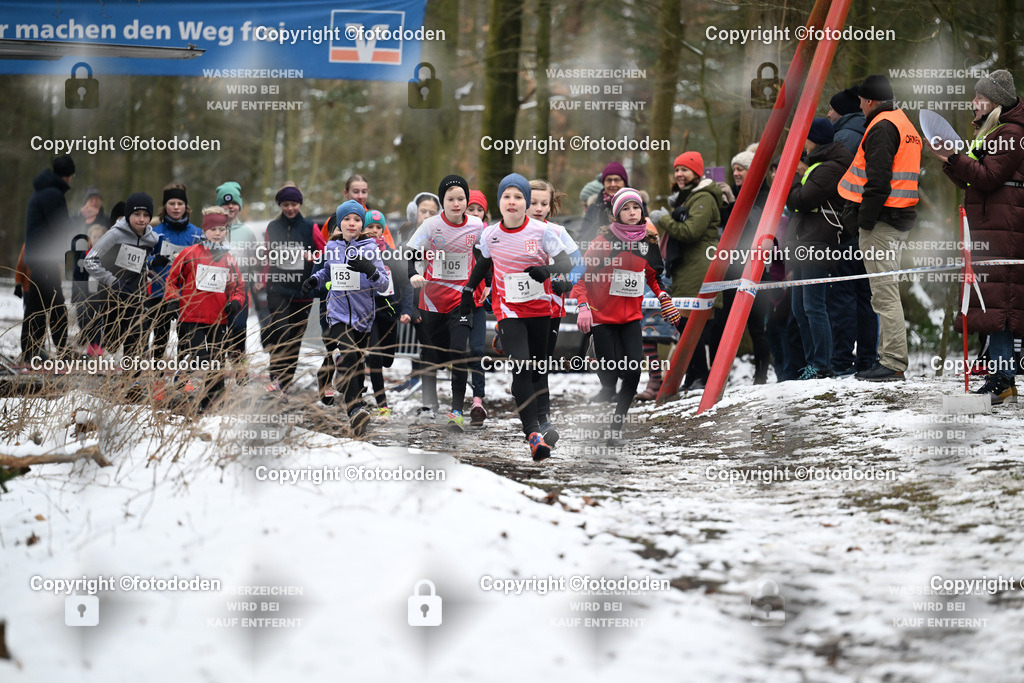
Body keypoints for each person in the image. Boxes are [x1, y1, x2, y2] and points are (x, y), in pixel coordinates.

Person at [461, 174, 573, 461]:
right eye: (507, 196)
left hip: (540, 310)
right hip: (509, 311)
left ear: (526, 203)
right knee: (521, 366)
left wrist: (546, 272)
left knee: (537, 369)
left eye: (518, 197)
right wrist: (470, 289)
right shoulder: (490, 235)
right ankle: (533, 434)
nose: (512, 202)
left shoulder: (541, 232)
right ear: (499, 202)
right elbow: (483, 263)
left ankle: (543, 419)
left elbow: (566, 262)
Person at [932, 69, 1024, 404]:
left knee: (1001, 302)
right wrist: (951, 162)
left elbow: (989, 178)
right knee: (991, 300)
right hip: (991, 223)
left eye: (979, 98)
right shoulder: (993, 132)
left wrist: (957, 159)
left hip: (1004, 225)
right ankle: (1002, 378)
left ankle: (1003, 378)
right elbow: (974, 180)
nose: (973, 103)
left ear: (995, 102)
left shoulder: (1011, 133)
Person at [573, 188, 680, 446]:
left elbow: (653, 276)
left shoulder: (649, 242)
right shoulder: (603, 243)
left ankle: (614, 430)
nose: (632, 213)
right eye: (626, 209)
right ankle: (601, 371)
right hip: (602, 319)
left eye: (636, 208)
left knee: (632, 372)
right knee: (611, 373)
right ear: (616, 214)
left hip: (631, 318)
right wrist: (583, 306)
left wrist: (663, 296)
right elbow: (579, 276)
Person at [838, 74, 922, 382]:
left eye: (861, 101)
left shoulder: (882, 126)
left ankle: (893, 361)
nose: (859, 106)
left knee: (884, 294)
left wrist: (864, 222)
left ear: (871, 101)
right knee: (886, 292)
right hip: (897, 219)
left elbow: (877, 182)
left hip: (882, 223)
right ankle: (889, 358)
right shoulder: (902, 122)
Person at [301, 201, 390, 435]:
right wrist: (315, 280)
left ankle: (335, 384)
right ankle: (355, 408)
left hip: (364, 317)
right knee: (350, 354)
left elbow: (383, 283)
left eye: (357, 219)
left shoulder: (371, 248)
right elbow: (327, 271)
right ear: (339, 223)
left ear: (362, 224)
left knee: (356, 364)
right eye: (347, 219)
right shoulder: (332, 247)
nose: (352, 223)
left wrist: (368, 268)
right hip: (337, 313)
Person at [406, 174, 486, 431]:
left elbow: (485, 257)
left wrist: (483, 286)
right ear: (443, 201)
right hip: (431, 300)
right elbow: (410, 252)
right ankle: (429, 404)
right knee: (430, 354)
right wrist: (413, 274)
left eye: (461, 198)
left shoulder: (476, 226)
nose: (456, 203)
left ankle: (456, 410)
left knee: (458, 351)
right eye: (450, 199)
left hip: (461, 301)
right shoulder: (430, 226)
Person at [649, 151, 724, 390]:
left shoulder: (703, 197)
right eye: (677, 169)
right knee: (687, 324)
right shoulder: (689, 197)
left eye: (685, 169)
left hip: (700, 266)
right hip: (688, 268)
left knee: (690, 324)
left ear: (697, 172)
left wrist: (664, 219)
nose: (679, 174)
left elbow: (691, 232)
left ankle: (701, 375)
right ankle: (694, 375)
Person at [785, 118, 853, 380]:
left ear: (813, 139)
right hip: (806, 241)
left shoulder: (830, 168)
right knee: (800, 309)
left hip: (818, 243)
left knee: (813, 306)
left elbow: (800, 201)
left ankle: (821, 365)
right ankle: (812, 363)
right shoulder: (818, 165)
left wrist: (792, 179)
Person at [164, 208, 246, 412]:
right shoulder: (189, 254)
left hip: (219, 319)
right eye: (213, 229)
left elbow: (238, 288)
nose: (217, 233)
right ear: (204, 230)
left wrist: (235, 302)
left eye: (221, 229)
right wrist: (172, 300)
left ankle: (212, 399)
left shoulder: (228, 259)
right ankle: (181, 386)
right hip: (191, 318)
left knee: (217, 361)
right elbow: (172, 280)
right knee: (200, 356)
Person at [82, 192, 159, 391]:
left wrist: (151, 265)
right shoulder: (115, 234)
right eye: (136, 215)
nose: (141, 219)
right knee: (115, 341)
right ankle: (111, 345)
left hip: (136, 294)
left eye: (145, 214)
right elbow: (90, 260)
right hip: (112, 294)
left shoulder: (152, 238)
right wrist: (111, 281)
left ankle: (130, 383)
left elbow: (145, 261)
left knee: (137, 338)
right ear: (127, 216)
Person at [826, 90, 877, 376]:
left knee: (843, 294)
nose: (829, 115)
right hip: (866, 224)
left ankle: (842, 359)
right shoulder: (868, 128)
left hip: (846, 226)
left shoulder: (844, 138)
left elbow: (836, 185)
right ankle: (867, 358)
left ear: (842, 112)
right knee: (866, 295)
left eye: (832, 110)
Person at [528, 179, 582, 427]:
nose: (538, 208)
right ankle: (529, 415)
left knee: (541, 364)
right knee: (523, 363)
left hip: (550, 307)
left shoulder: (558, 232)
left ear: (551, 206)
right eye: (532, 203)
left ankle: (543, 419)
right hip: (518, 308)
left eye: (544, 203)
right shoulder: (510, 231)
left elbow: (579, 261)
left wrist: (568, 283)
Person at [262, 183, 324, 393]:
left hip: (302, 290)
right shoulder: (272, 227)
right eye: (286, 204)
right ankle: (275, 374)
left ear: (300, 204)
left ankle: (285, 383)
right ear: (280, 205)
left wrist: (313, 256)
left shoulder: (310, 227)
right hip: (277, 287)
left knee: (296, 336)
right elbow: (267, 255)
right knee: (280, 329)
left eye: (294, 204)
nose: (290, 208)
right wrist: (262, 280)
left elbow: (325, 253)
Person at [22, 154, 74, 362]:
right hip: (45, 257)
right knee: (54, 303)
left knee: (42, 303)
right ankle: (41, 349)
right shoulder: (52, 194)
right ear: (70, 176)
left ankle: (33, 349)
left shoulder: (44, 191)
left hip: (39, 256)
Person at [362, 210, 412, 419]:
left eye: (378, 228)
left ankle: (372, 360)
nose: (374, 231)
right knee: (374, 357)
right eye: (370, 227)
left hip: (389, 313)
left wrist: (407, 309)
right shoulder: (358, 253)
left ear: (383, 230)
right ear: (363, 230)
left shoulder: (392, 254)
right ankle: (382, 404)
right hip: (367, 313)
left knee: (387, 359)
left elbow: (406, 284)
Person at [147, 183, 202, 362]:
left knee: (185, 338)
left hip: (186, 293)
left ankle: (181, 378)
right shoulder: (155, 233)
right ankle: (156, 377)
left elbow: (205, 260)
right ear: (165, 207)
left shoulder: (197, 233)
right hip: (160, 292)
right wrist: (153, 261)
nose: (176, 207)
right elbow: (141, 258)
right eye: (172, 203)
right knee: (160, 337)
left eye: (180, 203)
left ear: (186, 206)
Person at [393, 192, 441, 395]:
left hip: (437, 298)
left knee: (430, 343)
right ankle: (419, 381)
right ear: (415, 213)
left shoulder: (442, 236)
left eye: (432, 212)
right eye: (423, 211)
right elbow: (399, 271)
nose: (427, 216)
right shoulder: (406, 237)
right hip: (413, 298)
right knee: (422, 341)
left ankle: (422, 380)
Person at [216, 181, 263, 381]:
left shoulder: (247, 232)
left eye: (234, 203)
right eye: (225, 204)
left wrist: (254, 281)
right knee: (218, 332)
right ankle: (216, 373)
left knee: (238, 331)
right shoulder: (212, 230)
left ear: (239, 206)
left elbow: (255, 261)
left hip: (240, 290)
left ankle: (240, 369)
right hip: (216, 290)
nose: (230, 207)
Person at [465, 189, 491, 425]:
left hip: (478, 304)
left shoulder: (489, 237)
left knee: (477, 352)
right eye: (470, 209)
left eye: (479, 210)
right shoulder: (454, 235)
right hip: (454, 304)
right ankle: (454, 403)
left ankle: (477, 402)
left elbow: (494, 267)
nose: (474, 213)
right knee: (456, 353)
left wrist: (490, 287)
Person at [578, 162, 628, 248]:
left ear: (624, 182)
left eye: (616, 180)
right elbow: (581, 241)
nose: (613, 184)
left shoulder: (636, 205)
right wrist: (598, 224)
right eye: (609, 180)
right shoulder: (595, 207)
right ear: (603, 183)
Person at [828, 86, 866, 156]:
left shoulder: (845, 137)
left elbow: (831, 165)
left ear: (842, 112)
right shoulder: (855, 131)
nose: (828, 114)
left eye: (831, 109)